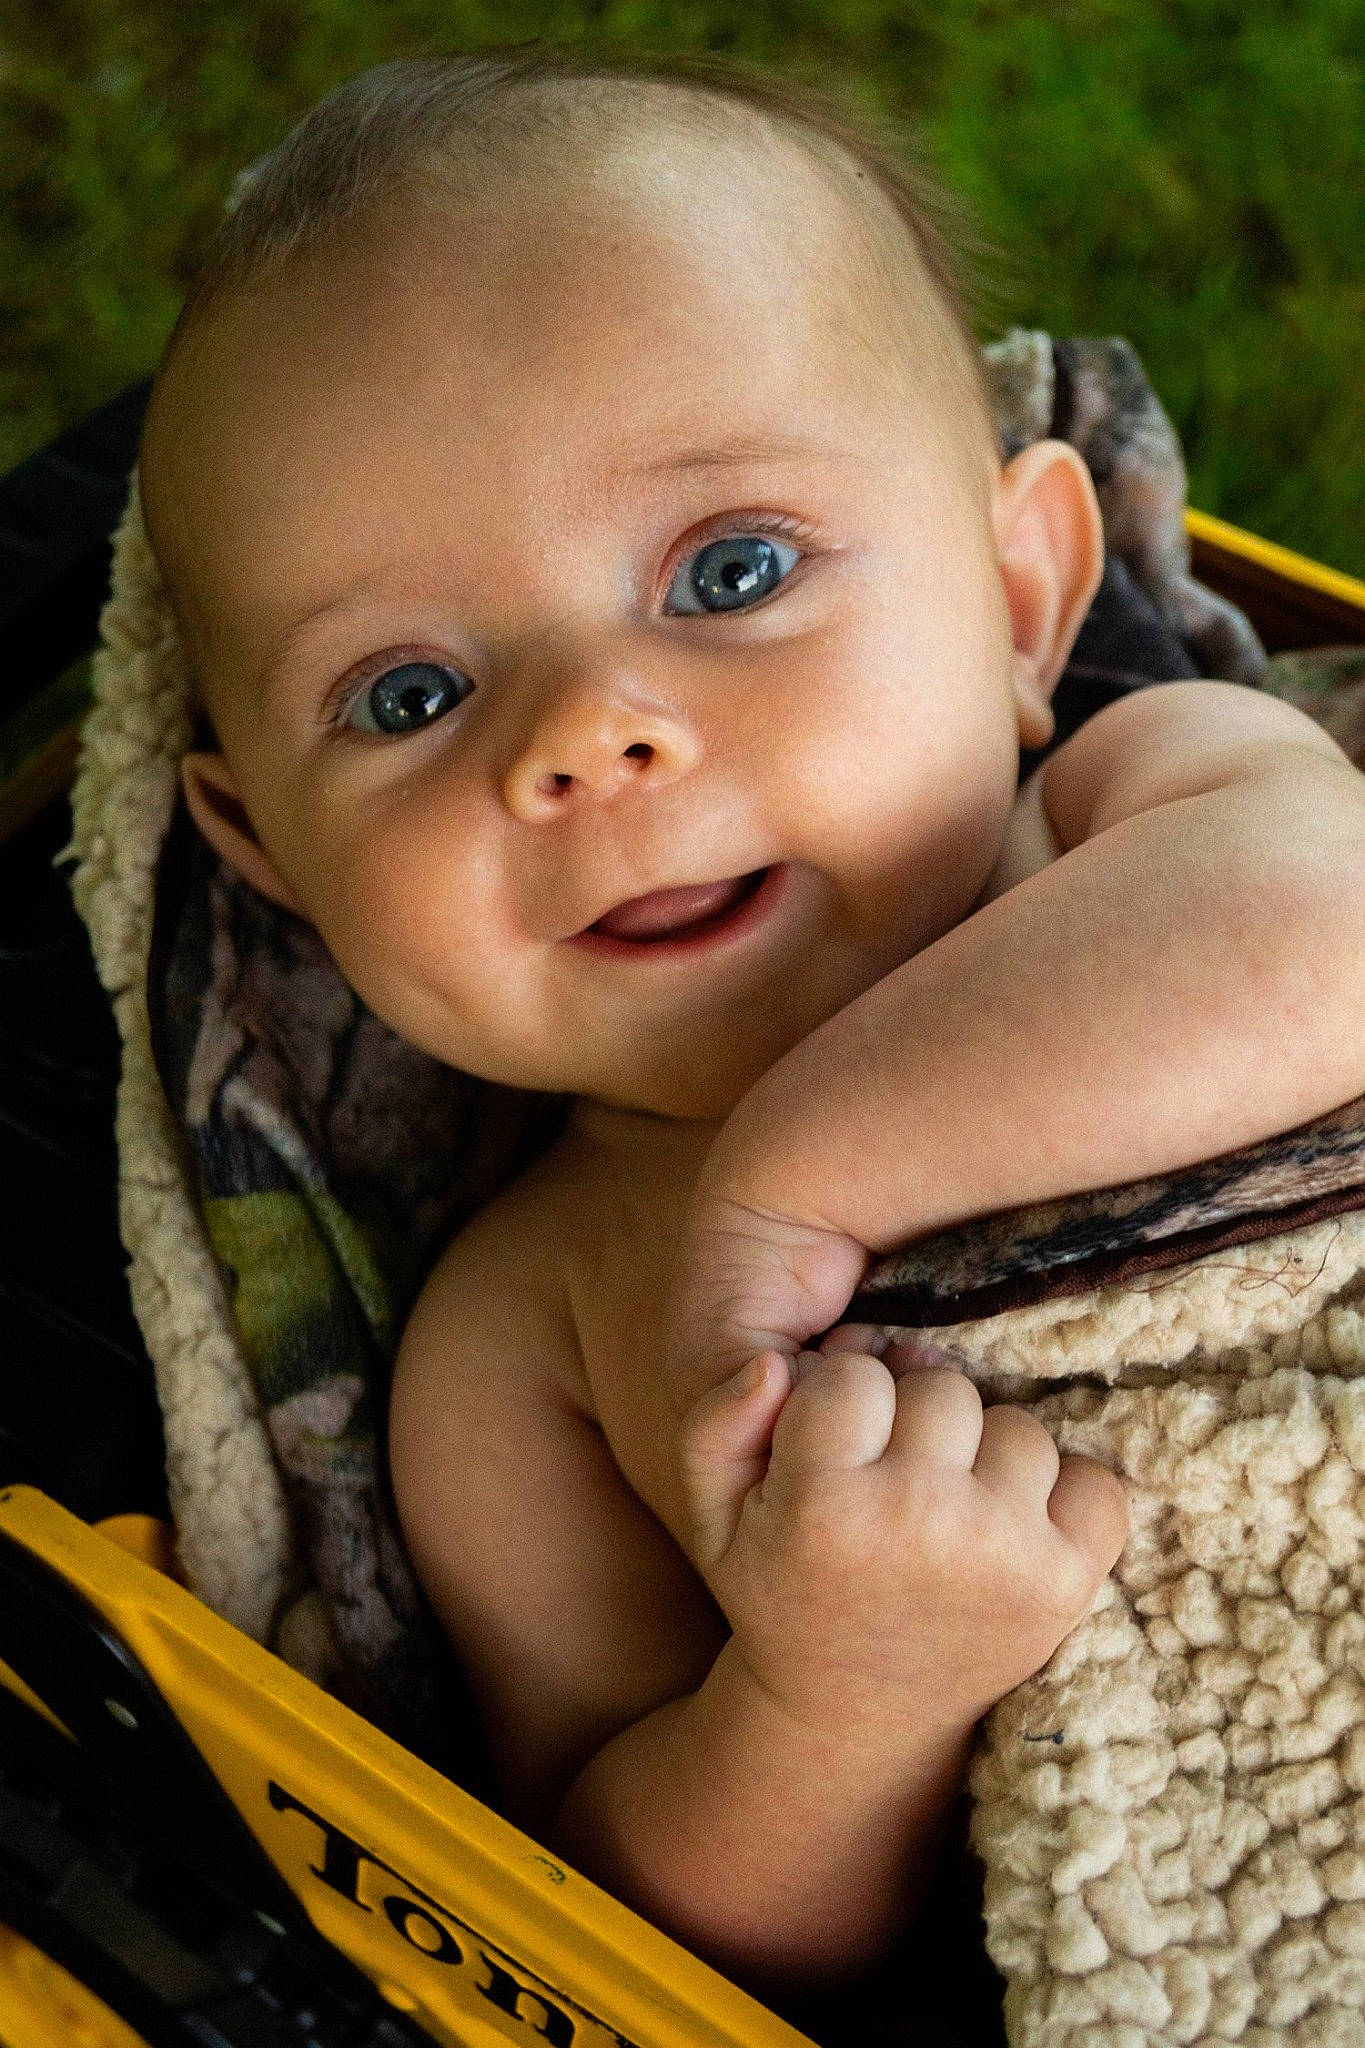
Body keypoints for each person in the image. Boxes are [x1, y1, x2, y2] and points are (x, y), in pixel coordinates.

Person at [135, 47, 1365, 2004]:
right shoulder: (516, 1343)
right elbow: (605, 1914)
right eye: (404, 696)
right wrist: (829, 1700)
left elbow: (1333, 936)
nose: (583, 735)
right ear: (270, 860)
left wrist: (791, 1183)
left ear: (1020, 598)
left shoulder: (1134, 810)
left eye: (730, 571)